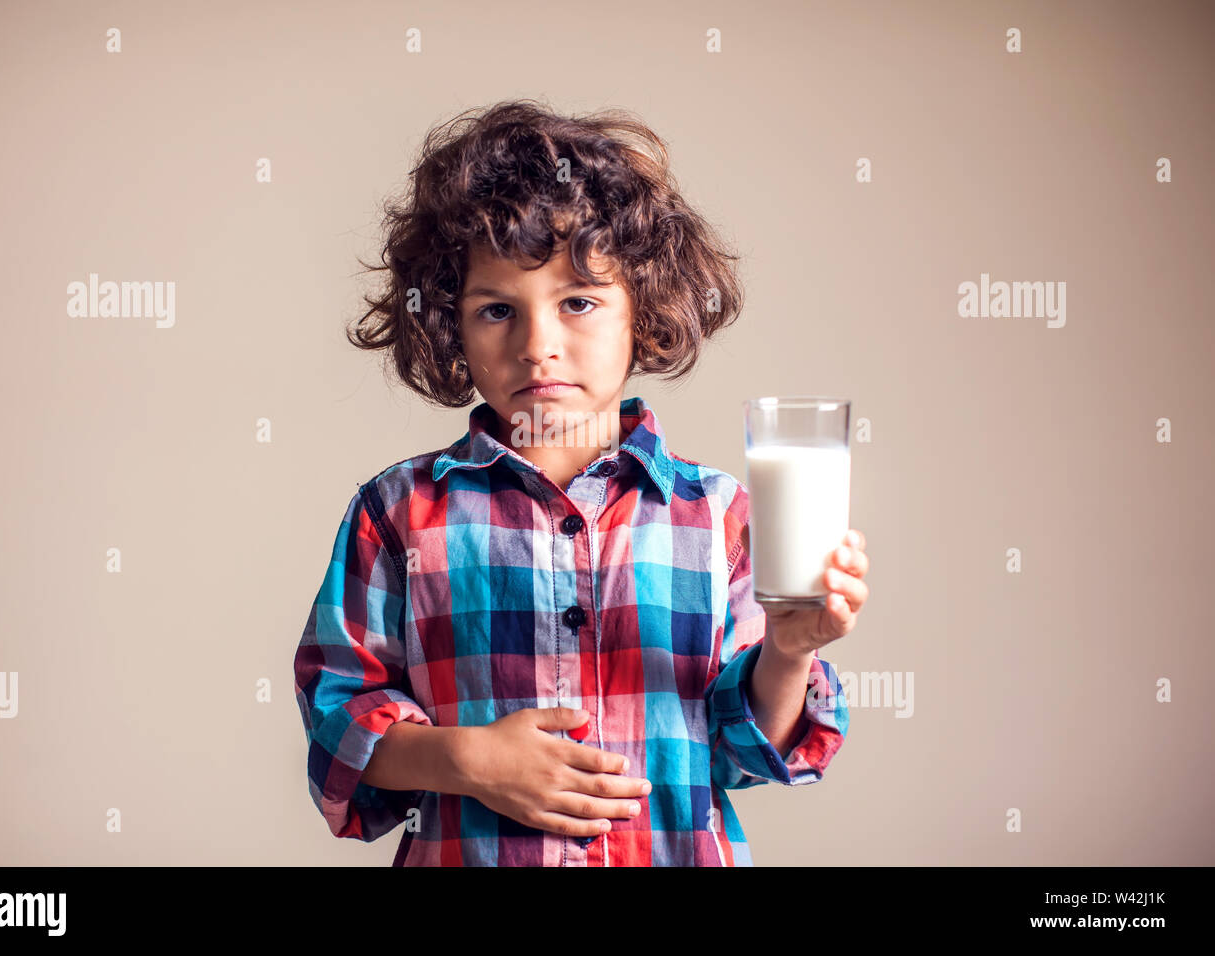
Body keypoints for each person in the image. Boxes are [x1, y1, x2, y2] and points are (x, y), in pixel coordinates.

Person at [294, 99, 867, 866]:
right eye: (497, 309)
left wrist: (790, 652)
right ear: (451, 328)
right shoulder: (397, 512)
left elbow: (744, 747)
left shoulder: (717, 514)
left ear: (644, 312)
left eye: (579, 303)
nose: (539, 346)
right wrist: (465, 761)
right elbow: (338, 717)